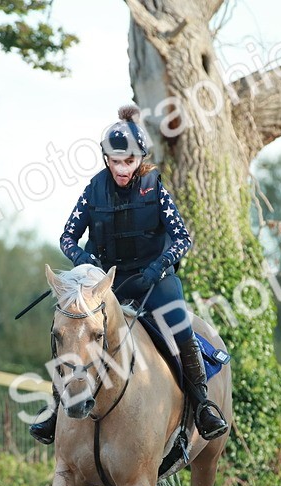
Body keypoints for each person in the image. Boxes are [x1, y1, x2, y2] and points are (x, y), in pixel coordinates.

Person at [30, 104, 230, 444]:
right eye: (115, 161)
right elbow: (67, 237)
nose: (122, 169)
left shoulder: (155, 189)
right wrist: (84, 259)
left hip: (153, 280)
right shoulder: (94, 190)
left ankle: (202, 405)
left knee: (180, 325)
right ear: (106, 159)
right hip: (107, 283)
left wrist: (157, 268)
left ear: (140, 159)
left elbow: (183, 239)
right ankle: (55, 408)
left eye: (129, 161)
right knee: (71, 330)